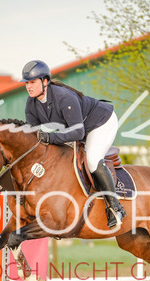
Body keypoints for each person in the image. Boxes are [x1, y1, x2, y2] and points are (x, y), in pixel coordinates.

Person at [20, 59, 126, 228]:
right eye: (27, 83)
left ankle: (115, 207)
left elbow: (78, 133)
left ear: (45, 81)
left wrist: (51, 138)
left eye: (32, 82)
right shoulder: (31, 103)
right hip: (78, 129)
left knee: (92, 159)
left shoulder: (64, 97)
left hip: (100, 123)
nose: (28, 87)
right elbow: (33, 136)